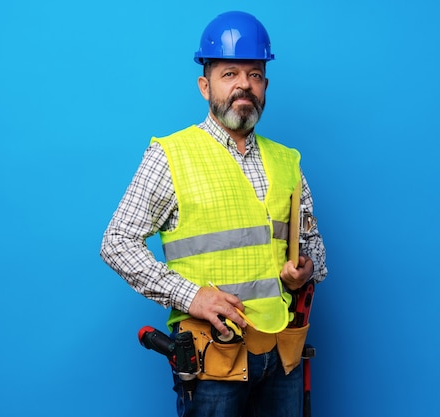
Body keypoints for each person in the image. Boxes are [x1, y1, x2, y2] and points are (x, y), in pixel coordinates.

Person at [100, 10, 327, 417]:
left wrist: (304, 271)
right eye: (230, 74)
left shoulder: (287, 161)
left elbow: (316, 253)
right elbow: (116, 243)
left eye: (255, 74)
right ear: (205, 86)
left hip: (282, 354)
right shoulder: (171, 155)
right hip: (213, 360)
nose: (244, 85)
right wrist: (192, 296)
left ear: (266, 85)